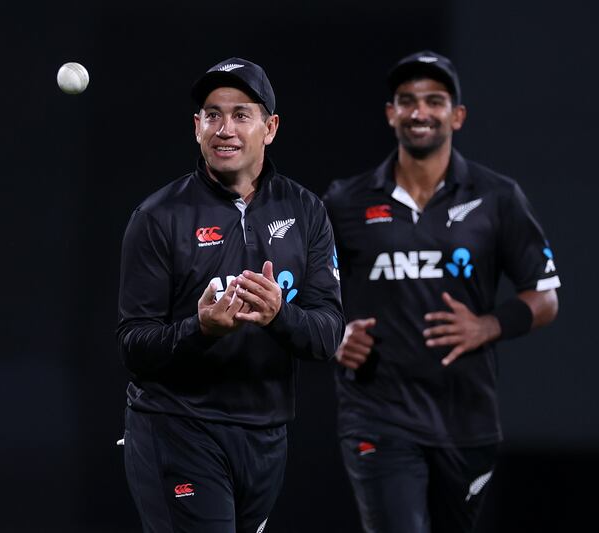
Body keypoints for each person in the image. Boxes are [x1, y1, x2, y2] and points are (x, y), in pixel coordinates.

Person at [323, 50, 561, 533]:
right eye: (407, 101)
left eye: (434, 101)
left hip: (465, 419)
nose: (419, 112)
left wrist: (488, 324)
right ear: (391, 113)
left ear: (457, 115)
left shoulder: (497, 197)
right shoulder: (345, 202)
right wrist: (334, 335)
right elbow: (303, 292)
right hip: (377, 414)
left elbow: (545, 296)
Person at [117, 57, 344, 533]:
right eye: (212, 115)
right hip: (178, 427)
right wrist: (199, 330)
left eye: (241, 114)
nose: (225, 129)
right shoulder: (158, 216)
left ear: (270, 127)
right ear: (196, 127)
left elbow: (326, 336)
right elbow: (133, 346)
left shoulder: (306, 211)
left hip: (264, 438)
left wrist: (280, 315)